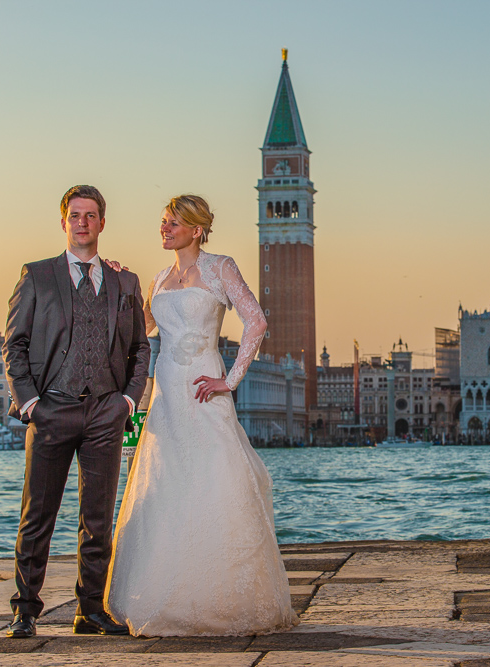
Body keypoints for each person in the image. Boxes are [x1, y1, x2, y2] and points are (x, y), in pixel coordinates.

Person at [105, 194, 296, 636]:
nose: (164, 229)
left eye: (173, 223)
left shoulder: (220, 267)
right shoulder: (158, 279)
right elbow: (141, 329)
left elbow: (257, 321)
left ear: (196, 229)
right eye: (163, 222)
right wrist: (120, 286)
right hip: (167, 390)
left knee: (213, 476)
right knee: (166, 481)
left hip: (204, 384)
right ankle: (161, 594)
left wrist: (230, 379)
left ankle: (222, 596)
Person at [2, 185, 150, 638]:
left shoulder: (126, 281)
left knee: (98, 517)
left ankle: (90, 610)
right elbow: (15, 345)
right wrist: (30, 403)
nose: (82, 222)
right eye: (75, 215)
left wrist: (127, 400)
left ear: (102, 223)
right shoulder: (37, 275)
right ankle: (25, 610)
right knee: (37, 516)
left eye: (90, 215)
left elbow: (140, 349)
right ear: (63, 222)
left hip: (106, 412)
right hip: (52, 410)